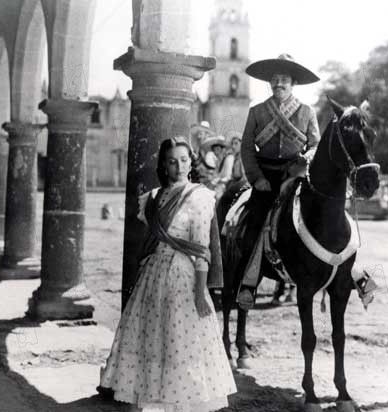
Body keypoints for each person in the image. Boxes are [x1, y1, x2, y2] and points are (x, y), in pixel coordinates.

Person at [99, 136, 236, 412]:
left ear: (191, 162)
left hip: (184, 276)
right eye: (172, 161)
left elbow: (201, 249)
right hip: (153, 276)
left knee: (180, 339)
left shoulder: (200, 197)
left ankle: (181, 400)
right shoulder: (151, 198)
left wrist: (200, 292)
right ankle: (154, 398)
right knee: (152, 337)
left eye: (184, 160)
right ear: (163, 164)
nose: (179, 166)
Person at [236, 54, 322, 307]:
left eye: (284, 80)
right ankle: (248, 284)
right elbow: (246, 149)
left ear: (293, 83)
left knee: (316, 219)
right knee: (252, 226)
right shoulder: (257, 111)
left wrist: (306, 159)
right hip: (266, 178)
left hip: (296, 175)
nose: (279, 84)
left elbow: (315, 145)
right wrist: (257, 178)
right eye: (274, 80)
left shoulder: (307, 112)